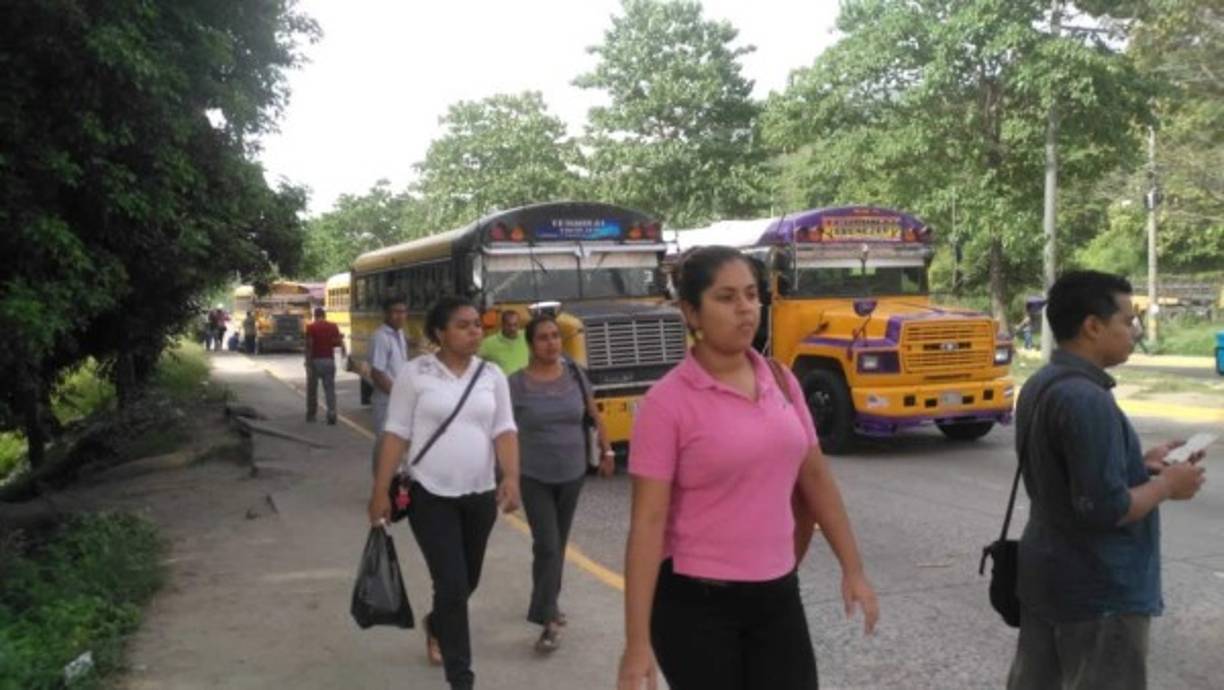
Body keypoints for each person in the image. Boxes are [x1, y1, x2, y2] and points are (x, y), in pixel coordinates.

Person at [617, 246, 879, 690]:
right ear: (691, 313)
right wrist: (636, 643)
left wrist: (852, 569)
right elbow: (647, 523)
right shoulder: (666, 403)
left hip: (777, 595)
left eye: (752, 295)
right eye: (726, 297)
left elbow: (816, 478)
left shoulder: (781, 379)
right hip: (695, 606)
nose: (745, 308)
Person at [1006, 270, 1207, 690]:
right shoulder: (1086, 399)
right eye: (1127, 321)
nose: (1135, 331)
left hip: (1047, 579)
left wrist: (1141, 464)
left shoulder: (1042, 383)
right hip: (1099, 594)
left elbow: (1072, 478)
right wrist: (1168, 485)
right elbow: (1105, 507)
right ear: (1093, 327)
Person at [368, 296, 521, 690]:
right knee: (451, 585)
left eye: (477, 325)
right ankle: (461, 678)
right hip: (429, 494)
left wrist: (511, 477)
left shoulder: (491, 375)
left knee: (467, 581)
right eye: (463, 325)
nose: (474, 332)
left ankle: (437, 624)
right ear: (440, 332)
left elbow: (504, 429)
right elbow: (396, 432)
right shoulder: (415, 373)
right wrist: (380, 490)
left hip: (480, 495)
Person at [509, 313, 615, 654]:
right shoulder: (515, 384)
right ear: (530, 344)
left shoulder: (575, 374)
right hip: (533, 475)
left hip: (572, 473)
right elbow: (504, 432)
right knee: (548, 546)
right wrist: (505, 476)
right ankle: (548, 618)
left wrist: (607, 449)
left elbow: (593, 414)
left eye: (555, 336)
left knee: (557, 543)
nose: (552, 343)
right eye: (543, 337)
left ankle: (547, 602)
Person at [368, 296, 410, 472]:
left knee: (398, 446)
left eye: (403, 312)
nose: (400, 316)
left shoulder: (399, 334)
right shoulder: (381, 337)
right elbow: (377, 373)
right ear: (385, 314)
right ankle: (380, 483)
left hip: (398, 400)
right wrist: (398, 395)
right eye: (395, 312)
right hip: (386, 402)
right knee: (384, 446)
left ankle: (393, 483)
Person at [305, 307, 345, 425]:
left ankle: (312, 415)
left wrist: (307, 362)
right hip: (329, 361)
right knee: (330, 389)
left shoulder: (311, 327)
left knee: (312, 390)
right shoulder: (333, 326)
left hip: (315, 361)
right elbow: (337, 343)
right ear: (324, 315)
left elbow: (309, 345)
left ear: (315, 316)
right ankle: (331, 413)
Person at [478, 310, 529, 376]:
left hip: (526, 381)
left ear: (519, 324)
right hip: (502, 382)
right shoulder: (488, 343)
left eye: (515, 325)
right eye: (509, 325)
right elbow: (476, 362)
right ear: (502, 325)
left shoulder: (527, 337)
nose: (512, 328)